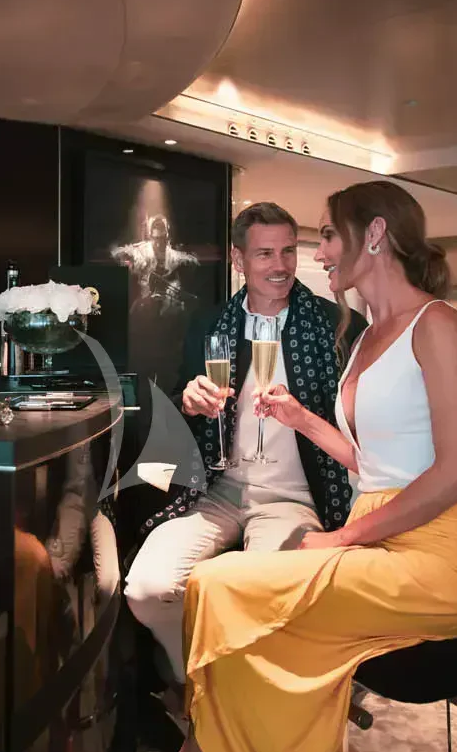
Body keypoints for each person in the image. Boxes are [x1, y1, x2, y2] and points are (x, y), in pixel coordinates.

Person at [123, 181, 457, 752]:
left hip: (433, 554)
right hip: (360, 529)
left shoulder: (435, 323)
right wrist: (300, 418)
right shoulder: (367, 335)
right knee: (223, 597)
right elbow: (368, 460)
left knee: (226, 591)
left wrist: (342, 537)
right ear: (240, 259)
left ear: (373, 235)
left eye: (322, 237)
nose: (312, 256)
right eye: (282, 248)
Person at [125, 202, 368, 690]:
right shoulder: (210, 323)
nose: (280, 266)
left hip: (295, 499)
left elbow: (365, 434)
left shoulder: (339, 326)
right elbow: (176, 402)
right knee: (147, 590)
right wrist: (188, 400)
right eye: (264, 254)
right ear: (238, 259)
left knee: (264, 602)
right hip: (217, 491)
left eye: (287, 251)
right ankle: (203, 687)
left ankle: (250, 706)